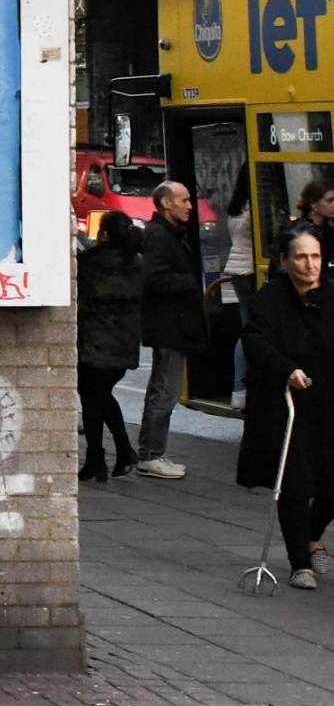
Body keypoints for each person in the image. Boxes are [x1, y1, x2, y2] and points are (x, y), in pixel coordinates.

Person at [241, 227, 334, 588]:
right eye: (301, 256)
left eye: (315, 256)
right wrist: (286, 370)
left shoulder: (330, 296)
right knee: (294, 483)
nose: (310, 264)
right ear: (284, 261)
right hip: (289, 404)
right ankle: (300, 563)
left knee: (330, 483)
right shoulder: (269, 301)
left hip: (328, 403)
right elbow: (255, 340)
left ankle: (312, 535)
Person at [135, 178, 205, 480]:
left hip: (175, 323)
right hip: (168, 324)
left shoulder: (171, 234)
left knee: (165, 389)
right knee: (165, 390)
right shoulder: (159, 236)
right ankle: (150, 454)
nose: (190, 206)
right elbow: (153, 278)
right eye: (184, 200)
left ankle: (154, 451)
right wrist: (190, 282)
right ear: (166, 203)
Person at [77, 211, 142, 481]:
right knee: (100, 396)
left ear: (103, 233)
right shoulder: (136, 262)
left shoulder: (90, 262)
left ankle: (98, 458)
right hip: (124, 342)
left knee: (92, 397)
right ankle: (117, 453)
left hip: (94, 341)